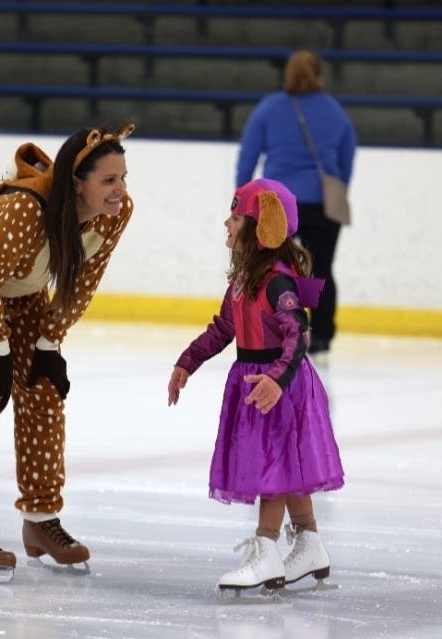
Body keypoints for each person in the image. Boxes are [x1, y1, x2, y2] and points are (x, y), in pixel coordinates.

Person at [0, 123, 136, 580]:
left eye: (123, 178)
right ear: (76, 184)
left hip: (23, 291)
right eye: (109, 180)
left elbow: (82, 284)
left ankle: (41, 520)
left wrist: (49, 344)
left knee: (43, 391)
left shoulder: (116, 214)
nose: (120, 190)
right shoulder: (24, 210)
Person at [167, 178, 345, 593]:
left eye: (234, 217)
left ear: (261, 226)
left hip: (279, 386)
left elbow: (297, 335)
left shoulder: (278, 283)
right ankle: (309, 541)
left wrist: (278, 379)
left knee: (275, 469)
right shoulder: (244, 280)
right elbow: (223, 328)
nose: (226, 224)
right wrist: (187, 362)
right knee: (289, 465)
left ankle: (266, 550)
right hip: (257, 382)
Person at [236, 48, 357, 357]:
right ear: (319, 75)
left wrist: (242, 197)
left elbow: (248, 155)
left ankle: (275, 329)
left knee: (273, 268)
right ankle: (322, 336)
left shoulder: (269, 109)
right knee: (320, 270)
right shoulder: (334, 111)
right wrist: (337, 183)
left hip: (276, 202)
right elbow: (346, 157)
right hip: (321, 204)